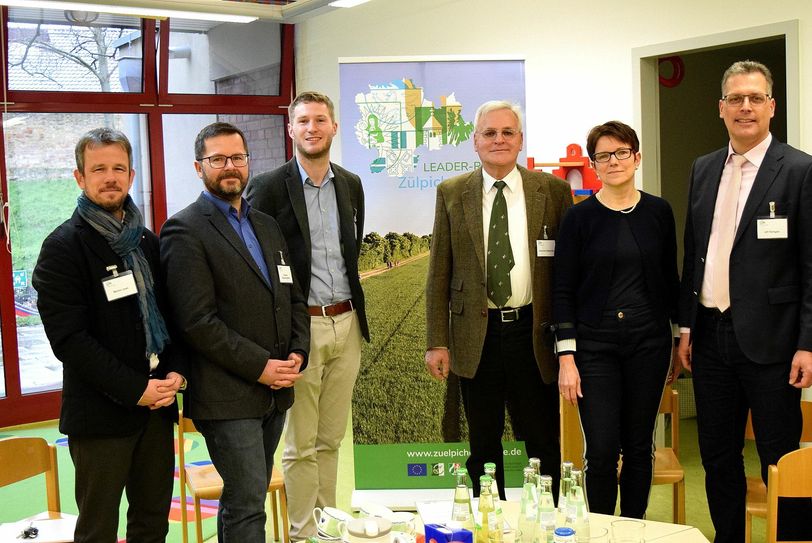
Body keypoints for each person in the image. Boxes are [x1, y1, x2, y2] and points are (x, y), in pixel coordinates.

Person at [678, 60, 812, 542]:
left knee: (781, 455)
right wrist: (687, 326)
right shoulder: (703, 168)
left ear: (772, 107)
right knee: (716, 453)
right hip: (712, 336)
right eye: (736, 99)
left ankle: (792, 539)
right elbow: (695, 252)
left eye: (755, 98)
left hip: (775, 342)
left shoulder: (799, 170)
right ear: (721, 108)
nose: (746, 107)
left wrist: (808, 344)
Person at [32, 127, 185, 542]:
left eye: (118, 168)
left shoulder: (147, 243)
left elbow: (170, 319)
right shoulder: (62, 247)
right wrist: (138, 388)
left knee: (152, 523)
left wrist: (175, 373)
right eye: (98, 168)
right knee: (98, 529)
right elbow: (70, 341)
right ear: (80, 177)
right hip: (101, 417)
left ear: (132, 176)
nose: (110, 177)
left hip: (155, 413)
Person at [160, 122, 310, 542]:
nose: (230, 167)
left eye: (238, 158)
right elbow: (196, 323)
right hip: (227, 396)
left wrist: (298, 351)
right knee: (247, 506)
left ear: (248, 162)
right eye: (218, 159)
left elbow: (293, 297)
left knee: (247, 498)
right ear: (198, 166)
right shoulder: (185, 229)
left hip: (275, 390)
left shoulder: (266, 224)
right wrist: (261, 366)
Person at [424, 100, 573, 498]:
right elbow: (438, 272)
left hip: (533, 334)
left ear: (521, 140)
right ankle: (489, 525)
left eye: (508, 132)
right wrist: (437, 341)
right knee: (483, 448)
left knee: (543, 444)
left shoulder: (554, 191)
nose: (499, 140)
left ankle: (549, 523)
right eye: (489, 133)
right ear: (474, 142)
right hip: (477, 336)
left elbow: (567, 272)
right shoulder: (452, 193)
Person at [245, 91, 368, 540]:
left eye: (320, 119)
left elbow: (349, 254)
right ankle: (302, 534)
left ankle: (328, 529)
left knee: (331, 440)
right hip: (301, 327)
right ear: (291, 130)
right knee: (300, 447)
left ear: (334, 127)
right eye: (303, 121)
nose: (312, 128)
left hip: (347, 322)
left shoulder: (351, 184)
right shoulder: (269, 185)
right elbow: (255, 261)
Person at [553, 121, 680, 517]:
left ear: (637, 157)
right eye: (604, 156)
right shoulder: (579, 218)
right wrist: (567, 358)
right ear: (594, 165)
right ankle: (605, 530)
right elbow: (563, 291)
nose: (614, 161)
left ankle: (634, 528)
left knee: (640, 445)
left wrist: (678, 340)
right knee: (603, 449)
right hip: (595, 348)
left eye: (622, 152)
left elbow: (669, 281)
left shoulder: (659, 212)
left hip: (649, 344)